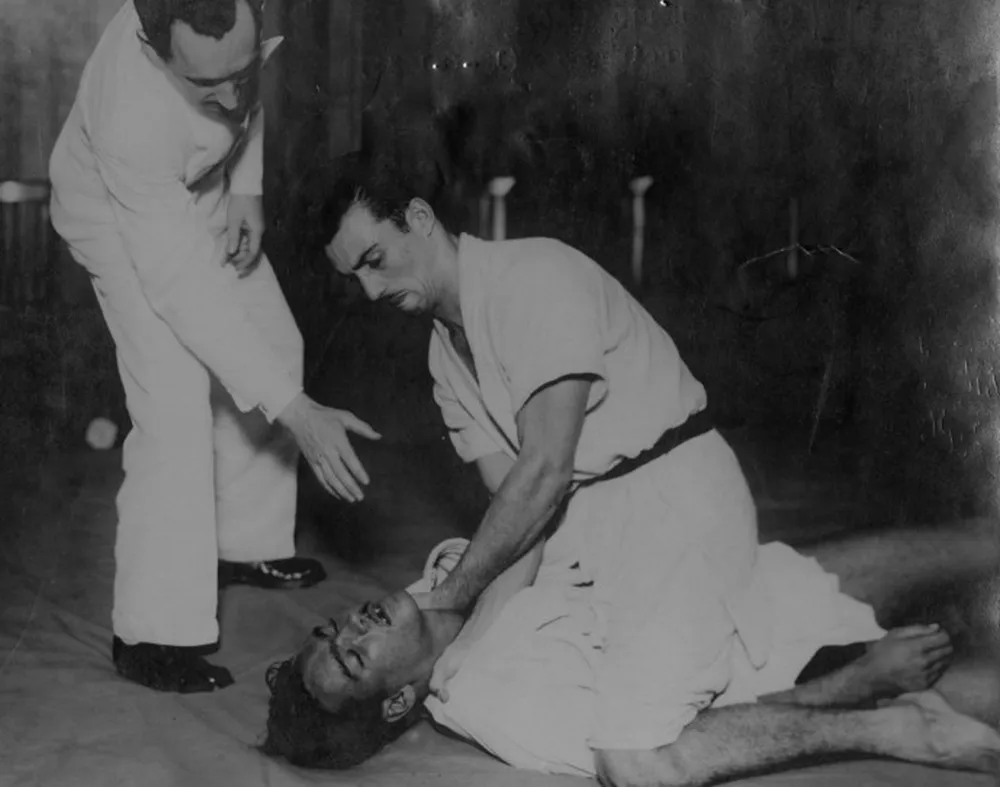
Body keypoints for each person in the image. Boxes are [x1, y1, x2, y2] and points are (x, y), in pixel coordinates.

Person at [48, 0, 380, 694]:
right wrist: (297, 410)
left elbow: (241, 93)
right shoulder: (127, 113)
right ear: (152, 50)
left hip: (201, 187)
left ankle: (244, 546)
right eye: (206, 85)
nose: (231, 99)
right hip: (117, 215)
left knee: (275, 341)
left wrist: (245, 190)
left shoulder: (230, 39)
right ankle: (151, 633)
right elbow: (179, 284)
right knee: (174, 397)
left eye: (241, 74)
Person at [259, 522, 1000, 783]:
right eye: (354, 657)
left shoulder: (441, 582)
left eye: (333, 631)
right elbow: (671, 747)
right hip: (785, 664)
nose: (353, 628)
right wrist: (852, 688)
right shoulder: (501, 703)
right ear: (398, 699)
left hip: (759, 579)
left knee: (975, 532)